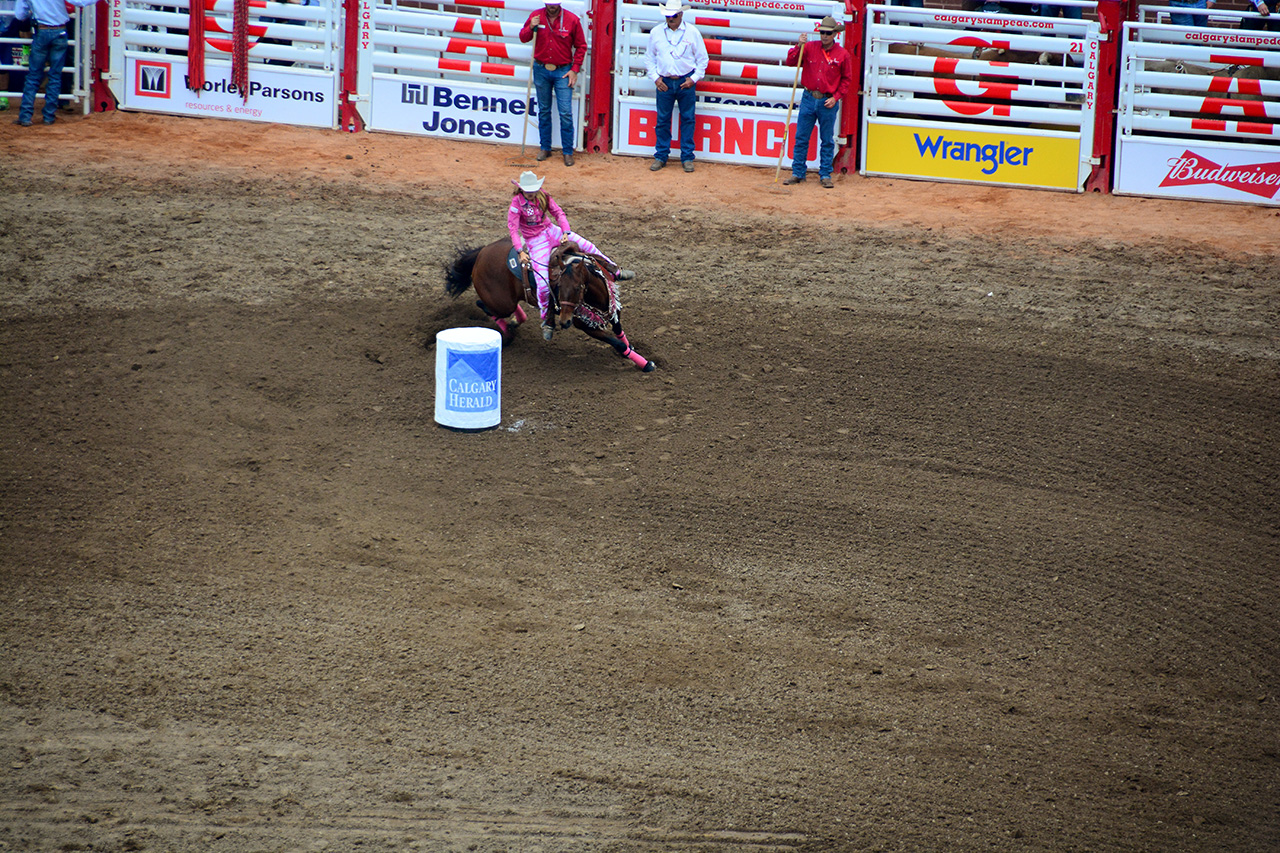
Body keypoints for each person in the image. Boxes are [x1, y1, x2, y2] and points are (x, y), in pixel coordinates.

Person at [507, 171, 635, 337]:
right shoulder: (516, 204)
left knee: (588, 246)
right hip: (535, 242)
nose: (531, 194)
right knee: (543, 285)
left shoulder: (543, 196)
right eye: (528, 191)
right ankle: (547, 319)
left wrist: (565, 231)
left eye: (533, 190)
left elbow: (558, 213)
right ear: (521, 190)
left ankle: (614, 270)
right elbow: (513, 228)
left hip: (552, 231)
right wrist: (519, 250)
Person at [782, 17, 852, 189]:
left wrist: (836, 97)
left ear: (835, 34)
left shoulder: (843, 54)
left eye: (828, 33)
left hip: (827, 100)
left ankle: (825, 174)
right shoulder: (809, 47)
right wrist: (799, 45)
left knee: (827, 139)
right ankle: (798, 172)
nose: (824, 36)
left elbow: (847, 80)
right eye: (822, 32)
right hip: (808, 97)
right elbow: (791, 61)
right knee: (801, 137)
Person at [12, 0, 101, 126]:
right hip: (60, 31)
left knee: (33, 76)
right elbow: (81, 1)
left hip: (41, 31)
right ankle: (49, 116)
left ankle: (25, 116)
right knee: (55, 76)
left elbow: (20, 14)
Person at [519, 0, 587, 167]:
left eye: (554, 3)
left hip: (563, 71)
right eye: (549, 3)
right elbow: (523, 37)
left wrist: (575, 69)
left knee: (565, 112)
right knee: (543, 110)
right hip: (541, 68)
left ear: (559, 4)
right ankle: (545, 147)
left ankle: (567, 151)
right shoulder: (536, 16)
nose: (552, 6)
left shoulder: (572, 20)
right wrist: (530, 27)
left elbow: (581, 46)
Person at [644, 0, 708, 173]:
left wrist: (693, 79)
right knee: (663, 120)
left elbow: (703, 59)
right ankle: (661, 155)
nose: (670, 19)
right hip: (665, 80)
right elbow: (649, 57)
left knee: (687, 119)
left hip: (684, 81)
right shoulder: (656, 32)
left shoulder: (692, 32)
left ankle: (686, 156)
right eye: (668, 16)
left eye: (673, 16)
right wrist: (656, 78)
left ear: (681, 15)